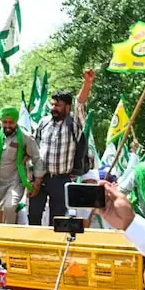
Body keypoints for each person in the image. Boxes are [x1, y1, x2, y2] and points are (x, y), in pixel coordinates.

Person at [30, 69, 95, 226]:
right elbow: (34, 147)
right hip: (40, 178)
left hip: (61, 180)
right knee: (33, 214)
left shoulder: (74, 124)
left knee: (57, 219)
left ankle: (54, 250)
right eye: (52, 104)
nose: (53, 108)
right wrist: (32, 176)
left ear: (67, 107)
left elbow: (80, 104)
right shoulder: (43, 122)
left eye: (58, 105)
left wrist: (87, 83)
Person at [0, 76, 44, 224]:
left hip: (16, 181)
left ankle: (9, 237)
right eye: (5, 122)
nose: (7, 125)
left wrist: (36, 183)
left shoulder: (25, 137)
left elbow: (37, 159)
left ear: (16, 122)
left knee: (9, 207)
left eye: (10, 122)